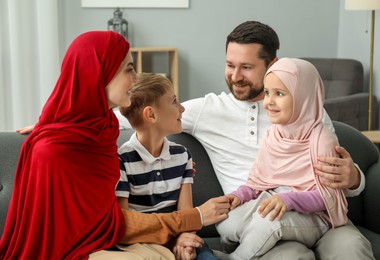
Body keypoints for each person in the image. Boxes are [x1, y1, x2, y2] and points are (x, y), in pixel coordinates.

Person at [0, 31, 231, 259]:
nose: (135, 77)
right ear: (98, 73)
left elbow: (137, 117)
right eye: (129, 69)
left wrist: (50, 122)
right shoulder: (54, 151)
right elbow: (110, 223)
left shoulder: (104, 129)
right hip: (75, 251)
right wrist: (196, 217)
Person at [179, 21, 374, 259]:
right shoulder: (206, 110)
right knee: (291, 255)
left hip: (322, 216)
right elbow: (141, 115)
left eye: (247, 67)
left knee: (352, 248)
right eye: (230, 65)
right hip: (259, 216)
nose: (236, 76)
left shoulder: (308, 111)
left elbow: (332, 180)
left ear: (272, 64)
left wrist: (354, 178)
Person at [216, 58, 349, 259]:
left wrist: (289, 199)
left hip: (316, 216)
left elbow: (327, 197)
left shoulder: (322, 140)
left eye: (279, 94)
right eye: (267, 92)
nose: (269, 101)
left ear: (302, 96)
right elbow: (257, 181)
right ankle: (263, 240)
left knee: (268, 222)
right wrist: (239, 195)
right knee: (227, 220)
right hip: (278, 201)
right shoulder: (273, 135)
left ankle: (237, 257)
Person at [115, 73, 217, 260]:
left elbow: (187, 214)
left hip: (180, 236)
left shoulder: (182, 155)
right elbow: (126, 225)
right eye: (174, 101)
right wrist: (171, 242)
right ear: (151, 114)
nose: (182, 108)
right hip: (141, 245)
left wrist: (183, 240)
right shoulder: (122, 161)